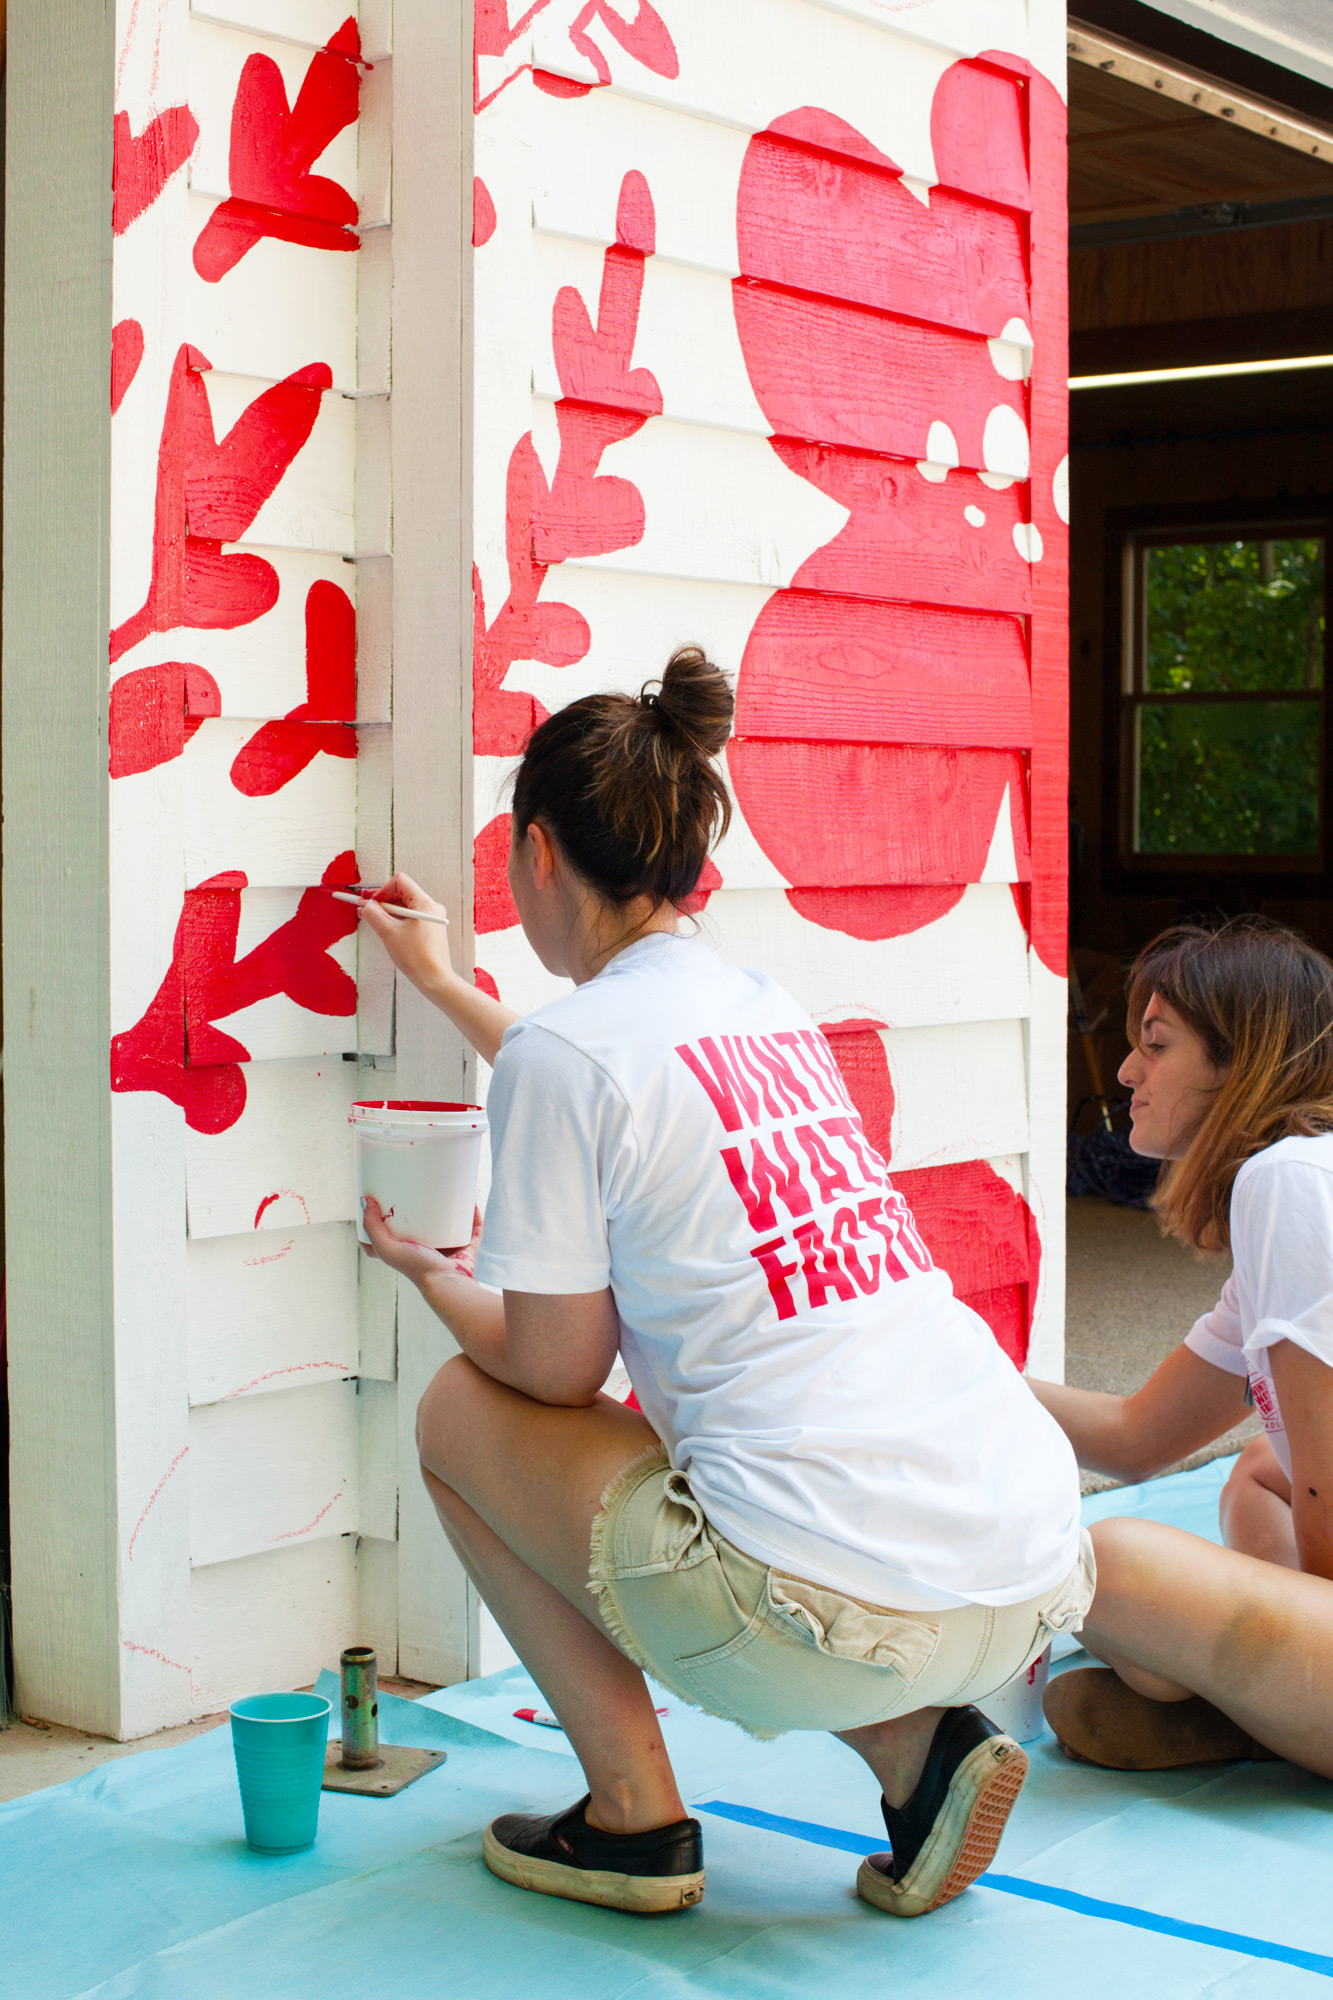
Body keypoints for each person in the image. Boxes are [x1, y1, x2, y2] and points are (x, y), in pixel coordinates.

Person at [357, 646, 1091, 1918]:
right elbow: (594, 1076)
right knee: (783, 1485)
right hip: (1027, 1578)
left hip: (821, 1608)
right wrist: (441, 984)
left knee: (456, 1414)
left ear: (537, 851)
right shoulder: (757, 1004)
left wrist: (432, 1277)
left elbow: (549, 1367)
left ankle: (631, 1819)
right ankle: (922, 1753)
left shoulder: (573, 1055)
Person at [1032, 918, 1333, 1778]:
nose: (1126, 1071)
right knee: (1252, 1474)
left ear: (1238, 1062)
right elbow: (1134, 1439)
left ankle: (1263, 1716)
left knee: (1106, 1563)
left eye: (1154, 1046)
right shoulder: (1291, 1188)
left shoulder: (1289, 1181)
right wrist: (944, 1364)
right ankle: (1255, 1713)